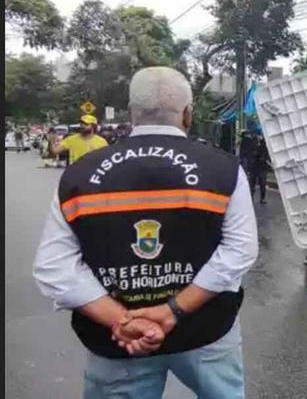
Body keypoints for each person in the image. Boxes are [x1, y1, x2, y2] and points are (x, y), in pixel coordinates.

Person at [33, 67, 259, 398]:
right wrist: (173, 311)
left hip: (119, 342)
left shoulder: (80, 176)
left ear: (132, 114)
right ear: (187, 114)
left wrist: (121, 321)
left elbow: (54, 267)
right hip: (206, 332)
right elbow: (240, 250)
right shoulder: (223, 169)